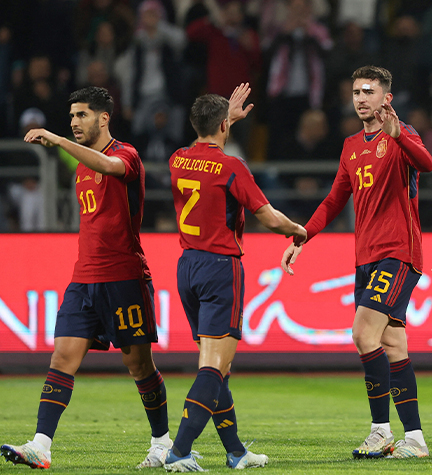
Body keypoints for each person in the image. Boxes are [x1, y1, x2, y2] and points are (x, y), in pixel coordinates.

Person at [1, 87, 171, 469]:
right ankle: (41, 445)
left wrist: (58, 140)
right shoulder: (80, 168)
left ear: (103, 118)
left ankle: (161, 442)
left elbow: (109, 167)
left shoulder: (126, 155)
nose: (75, 122)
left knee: (139, 366)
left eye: (82, 115)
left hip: (124, 278)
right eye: (72, 116)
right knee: (62, 356)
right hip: (84, 279)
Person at [281, 65, 432, 459]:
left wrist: (400, 136)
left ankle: (380, 431)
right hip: (365, 256)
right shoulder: (351, 145)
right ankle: (414, 439)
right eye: (356, 92)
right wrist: (304, 234)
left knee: (363, 334)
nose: (361, 98)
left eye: (369, 91)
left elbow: (427, 164)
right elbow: (334, 199)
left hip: (399, 252)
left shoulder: (403, 133)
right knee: (392, 343)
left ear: (387, 98)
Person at [161, 84, 307, 471]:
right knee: (213, 365)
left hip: (187, 266)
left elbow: (202, 146)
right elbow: (268, 217)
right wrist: (297, 230)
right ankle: (178, 451)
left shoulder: (177, 159)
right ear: (225, 125)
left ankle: (236, 452)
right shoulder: (231, 167)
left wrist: (226, 120)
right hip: (220, 268)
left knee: (219, 366)